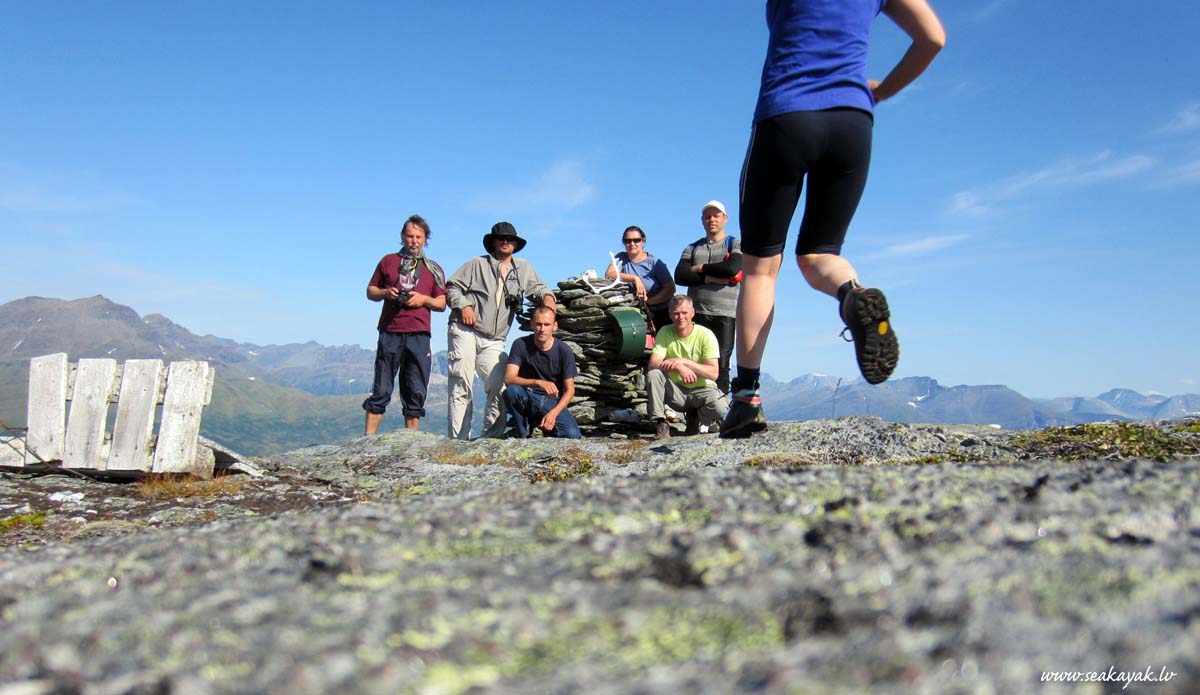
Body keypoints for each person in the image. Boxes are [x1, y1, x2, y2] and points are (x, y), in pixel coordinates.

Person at [722, 0, 945, 438]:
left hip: (786, 116)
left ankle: (746, 398)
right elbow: (932, 38)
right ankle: (852, 295)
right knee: (820, 254)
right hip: (852, 121)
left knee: (760, 268)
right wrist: (883, 90)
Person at [445, 221, 557, 439]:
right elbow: (452, 287)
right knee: (461, 382)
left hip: (495, 339)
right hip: (465, 329)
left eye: (510, 239)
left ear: (515, 244)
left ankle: (490, 439)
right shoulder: (476, 264)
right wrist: (464, 306)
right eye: (501, 238)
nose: (506, 242)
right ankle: (458, 442)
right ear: (493, 243)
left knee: (500, 384)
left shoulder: (523, 268)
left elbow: (540, 288)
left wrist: (548, 299)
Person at [362, 214, 447, 433]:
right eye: (410, 236)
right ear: (402, 236)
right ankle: (366, 440)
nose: (414, 241)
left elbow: (441, 303)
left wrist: (423, 299)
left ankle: (411, 442)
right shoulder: (388, 261)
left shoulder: (434, 268)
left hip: (419, 333)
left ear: (425, 239)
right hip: (390, 331)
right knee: (381, 387)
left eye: (418, 237)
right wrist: (386, 293)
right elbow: (371, 291)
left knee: (415, 389)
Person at [673, 200, 741, 394]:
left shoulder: (734, 244)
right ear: (702, 220)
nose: (712, 220)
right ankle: (695, 405)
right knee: (695, 359)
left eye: (716, 215)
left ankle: (720, 406)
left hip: (725, 313)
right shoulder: (692, 248)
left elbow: (731, 268)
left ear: (725, 218)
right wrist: (711, 278)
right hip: (697, 312)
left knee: (722, 362)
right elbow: (680, 276)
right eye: (707, 216)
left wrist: (700, 268)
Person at [646, 295, 728, 440]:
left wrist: (685, 362)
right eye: (676, 313)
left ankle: (697, 418)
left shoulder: (705, 335)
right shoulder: (665, 332)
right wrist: (678, 367)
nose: (680, 317)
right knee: (654, 374)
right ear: (670, 315)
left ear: (692, 313)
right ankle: (660, 422)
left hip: (702, 389)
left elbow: (713, 373)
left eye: (684, 313)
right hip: (676, 391)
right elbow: (653, 363)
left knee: (720, 406)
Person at [502, 306, 582, 439]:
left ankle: (546, 428)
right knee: (512, 391)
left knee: (572, 435)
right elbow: (509, 378)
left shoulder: (564, 351)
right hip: (527, 395)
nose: (542, 329)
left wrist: (554, 413)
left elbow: (570, 390)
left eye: (547, 324)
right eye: (538, 324)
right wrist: (538, 382)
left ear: (554, 326)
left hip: (551, 401)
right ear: (532, 325)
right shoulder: (520, 344)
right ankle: (522, 432)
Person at [605, 225, 676, 332]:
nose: (632, 243)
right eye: (628, 241)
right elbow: (609, 274)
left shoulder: (654, 262)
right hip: (635, 312)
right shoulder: (621, 258)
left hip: (661, 313)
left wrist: (651, 301)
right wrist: (635, 278)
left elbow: (670, 288)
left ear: (643, 241)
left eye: (636, 240)